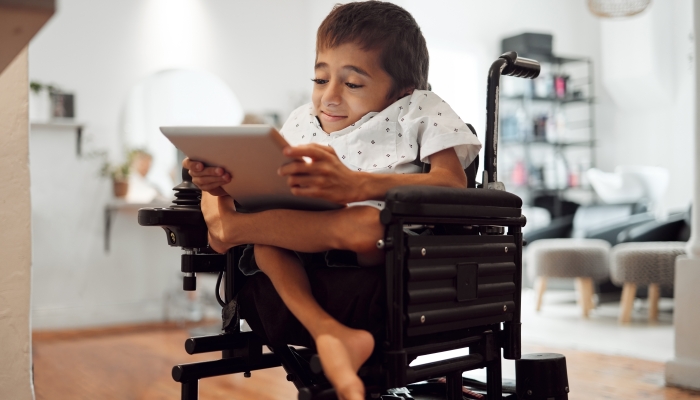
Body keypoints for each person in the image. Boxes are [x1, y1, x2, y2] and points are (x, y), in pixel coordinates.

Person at [184, 2, 481, 399]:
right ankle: (330, 333)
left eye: (353, 84)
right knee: (262, 233)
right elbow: (271, 184)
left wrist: (357, 186)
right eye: (320, 79)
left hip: (379, 241)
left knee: (365, 225)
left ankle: (230, 229)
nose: (330, 98)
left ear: (403, 88)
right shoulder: (302, 120)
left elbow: (452, 183)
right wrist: (221, 181)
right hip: (300, 237)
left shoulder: (419, 108)